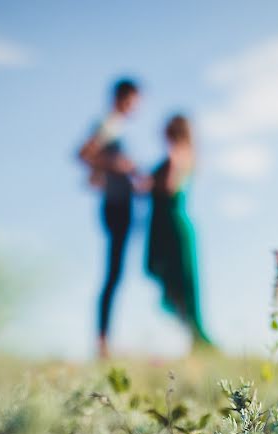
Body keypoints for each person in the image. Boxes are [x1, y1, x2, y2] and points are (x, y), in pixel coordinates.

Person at [78, 78, 144, 358]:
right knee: (113, 274)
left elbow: (93, 174)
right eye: (133, 100)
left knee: (116, 274)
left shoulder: (115, 126)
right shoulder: (108, 124)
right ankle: (103, 342)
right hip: (116, 205)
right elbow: (84, 154)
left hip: (120, 202)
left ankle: (105, 340)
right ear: (123, 98)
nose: (136, 106)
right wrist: (120, 165)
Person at [146, 115, 213, 349]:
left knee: (182, 283)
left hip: (173, 224)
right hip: (164, 223)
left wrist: (146, 182)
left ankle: (197, 337)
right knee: (175, 282)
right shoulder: (187, 154)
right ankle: (193, 337)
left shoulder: (180, 153)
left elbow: (169, 186)